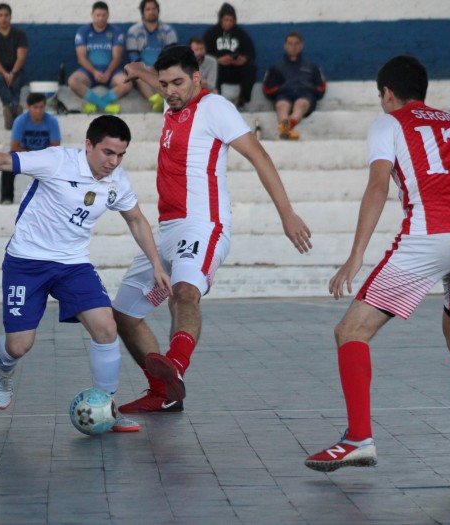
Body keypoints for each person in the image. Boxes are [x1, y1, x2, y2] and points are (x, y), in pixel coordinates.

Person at [304, 56, 450, 473]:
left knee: (351, 330)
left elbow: (377, 185)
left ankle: (358, 438)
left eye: (381, 97)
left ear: (387, 94)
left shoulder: (389, 123)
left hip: (430, 237)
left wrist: (355, 256)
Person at [114, 46, 312, 414]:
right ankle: (164, 391)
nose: (169, 91)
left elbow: (259, 156)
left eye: (177, 82)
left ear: (197, 78)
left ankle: (175, 365)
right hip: (167, 229)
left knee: (184, 293)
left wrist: (287, 213)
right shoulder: (172, 102)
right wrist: (137, 70)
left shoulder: (215, 108)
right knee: (124, 312)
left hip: (204, 224)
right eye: (164, 84)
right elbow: (154, 80)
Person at [0, 115, 172, 432]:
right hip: (27, 262)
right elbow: (3, 159)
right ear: (88, 146)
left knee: (107, 328)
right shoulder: (57, 161)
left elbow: (136, 220)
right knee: (19, 345)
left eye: (121, 154)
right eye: (108, 152)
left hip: (73, 265)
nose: (114, 161)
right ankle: (3, 371)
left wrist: (156, 265)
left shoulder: (117, 181)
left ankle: (107, 409)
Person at [68, 1, 131, 115]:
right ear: (92, 15)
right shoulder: (83, 31)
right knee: (72, 81)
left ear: (108, 15)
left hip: (111, 71)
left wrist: (107, 73)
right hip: (89, 71)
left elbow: (117, 57)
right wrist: (94, 72)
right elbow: (81, 58)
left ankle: (96, 103)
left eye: (103, 15)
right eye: (98, 15)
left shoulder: (116, 31)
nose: (101, 18)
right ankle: (106, 106)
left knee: (127, 84)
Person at [262, 32, 326, 140]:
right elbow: (267, 89)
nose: (293, 47)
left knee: (300, 104)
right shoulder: (276, 68)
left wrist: (308, 87)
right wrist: (282, 88)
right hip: (284, 95)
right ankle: (288, 130)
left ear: (301, 46)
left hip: (305, 95)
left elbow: (321, 89)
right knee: (282, 105)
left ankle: (286, 127)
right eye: (290, 43)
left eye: (296, 43)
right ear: (285, 46)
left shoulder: (312, 67)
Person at [0, 92, 61, 204]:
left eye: (41, 107)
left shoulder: (52, 121)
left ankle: (57, 200)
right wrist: (31, 157)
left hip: (45, 157)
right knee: (7, 162)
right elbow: (14, 146)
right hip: (25, 156)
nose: (39, 111)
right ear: (28, 108)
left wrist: (40, 157)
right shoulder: (20, 121)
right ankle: (6, 198)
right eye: (35, 107)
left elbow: (55, 146)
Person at [0, 3, 28, 130]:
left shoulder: (19, 34)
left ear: (11, 17)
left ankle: (9, 110)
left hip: (16, 70)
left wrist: (12, 73)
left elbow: (21, 57)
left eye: (6, 15)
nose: (3, 18)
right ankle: (14, 106)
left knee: (17, 81)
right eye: (0, 15)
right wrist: (4, 73)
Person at [126, 0, 177, 112]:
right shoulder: (134, 31)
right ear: (142, 12)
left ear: (158, 11)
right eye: (148, 9)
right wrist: (145, 69)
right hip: (142, 68)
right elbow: (132, 54)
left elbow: (171, 53)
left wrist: (157, 67)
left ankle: (166, 100)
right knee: (138, 74)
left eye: (154, 9)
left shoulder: (168, 31)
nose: (151, 12)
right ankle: (155, 101)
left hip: (161, 67)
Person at [203, 3, 256, 109]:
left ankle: (242, 100)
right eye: (225, 20)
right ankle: (216, 100)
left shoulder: (241, 34)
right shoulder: (211, 33)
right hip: (220, 69)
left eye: (231, 20)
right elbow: (204, 55)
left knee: (251, 68)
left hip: (236, 69)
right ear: (220, 19)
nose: (228, 23)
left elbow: (251, 52)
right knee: (213, 68)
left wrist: (244, 59)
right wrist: (218, 60)